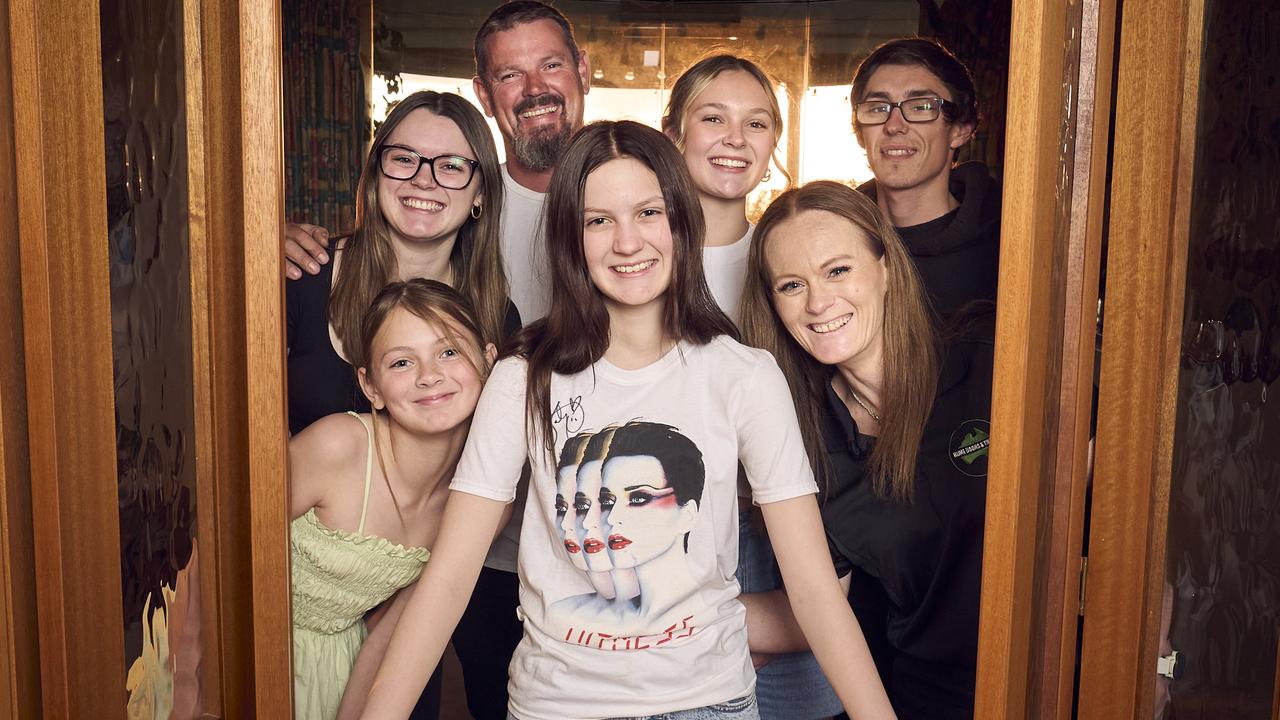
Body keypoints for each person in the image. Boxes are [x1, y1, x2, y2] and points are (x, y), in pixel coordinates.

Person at [350, 121, 896, 720]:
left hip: (708, 704)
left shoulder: (743, 373)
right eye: (598, 221)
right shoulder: (523, 377)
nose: (627, 242)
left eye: (648, 212)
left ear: (681, 222)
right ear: (570, 239)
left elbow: (816, 593)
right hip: (556, 707)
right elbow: (450, 580)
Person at [739, 181, 993, 719]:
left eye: (837, 270)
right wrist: (666, 617)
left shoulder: (987, 359)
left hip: (1046, 669)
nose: (818, 303)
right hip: (929, 695)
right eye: (790, 285)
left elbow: (1112, 498)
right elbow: (821, 600)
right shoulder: (806, 440)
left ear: (886, 268)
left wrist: (1153, 657)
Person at [661, 54, 842, 720]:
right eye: (714, 118)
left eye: (757, 122)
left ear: (773, 146)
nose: (736, 138)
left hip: (781, 535)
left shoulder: (792, 253)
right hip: (670, 538)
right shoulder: (635, 256)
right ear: (674, 133)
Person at [290, 278, 497, 720]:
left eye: (449, 352)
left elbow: (388, 632)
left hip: (335, 670)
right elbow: (212, 554)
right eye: (402, 362)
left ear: (489, 359)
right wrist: (193, 683)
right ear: (371, 387)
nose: (429, 375)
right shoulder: (336, 447)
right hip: (247, 655)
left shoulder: (479, 501)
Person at [287, 90, 510, 436]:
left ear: (481, 193)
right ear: (377, 174)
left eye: (451, 166)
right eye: (404, 159)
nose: (423, 180)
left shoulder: (498, 315)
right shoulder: (302, 274)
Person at [850, 37, 1000, 318]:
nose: (894, 126)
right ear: (860, 133)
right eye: (878, 109)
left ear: (961, 129)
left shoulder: (1006, 251)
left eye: (920, 107)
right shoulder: (834, 239)